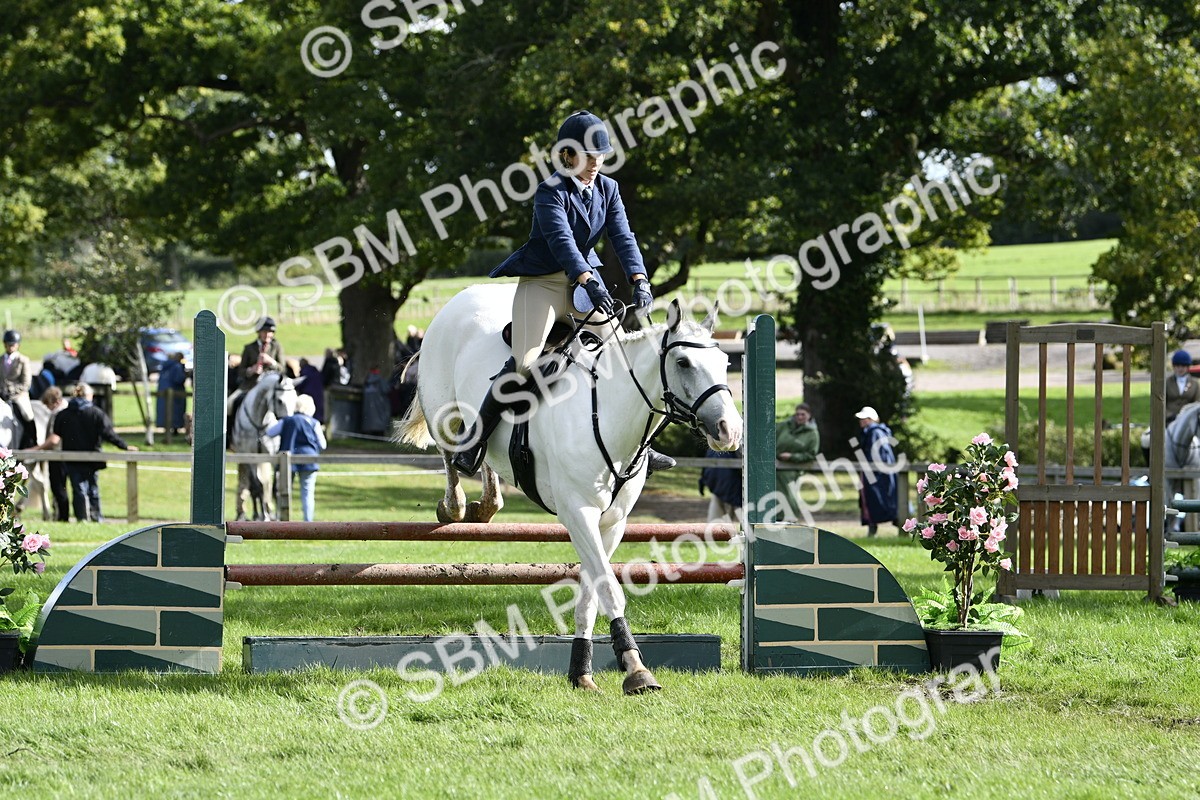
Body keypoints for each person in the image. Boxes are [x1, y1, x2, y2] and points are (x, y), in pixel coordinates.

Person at [450, 109, 673, 477]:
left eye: (600, 156)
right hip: (544, 283)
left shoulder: (609, 189)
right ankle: (473, 439)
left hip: (581, 284)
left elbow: (623, 236)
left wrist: (640, 278)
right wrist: (588, 279)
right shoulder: (549, 191)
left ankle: (643, 448)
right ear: (567, 155)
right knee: (525, 362)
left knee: (621, 354)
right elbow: (562, 242)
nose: (595, 164)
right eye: (587, 156)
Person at [53, 383, 138, 522]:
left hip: (71, 458)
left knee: (78, 489)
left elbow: (57, 431)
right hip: (93, 458)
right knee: (93, 489)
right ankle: (96, 517)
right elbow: (108, 434)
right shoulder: (96, 413)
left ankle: (82, 518)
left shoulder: (63, 414)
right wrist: (125, 446)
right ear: (88, 396)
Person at [265, 395, 327, 522]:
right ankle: (308, 522)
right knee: (307, 493)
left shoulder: (287, 421)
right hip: (309, 460)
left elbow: (270, 433)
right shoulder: (314, 423)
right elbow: (323, 445)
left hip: (287, 461)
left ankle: (282, 520)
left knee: (284, 492)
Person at [855, 406, 899, 536]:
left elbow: (876, 455)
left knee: (875, 500)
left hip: (876, 474)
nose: (861, 421)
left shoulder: (875, 432)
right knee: (882, 500)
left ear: (871, 419)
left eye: (864, 418)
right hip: (880, 473)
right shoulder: (878, 432)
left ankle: (874, 530)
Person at [29, 386, 70, 521]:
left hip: (57, 455)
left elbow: (54, 439)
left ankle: (62, 518)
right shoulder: (66, 410)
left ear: (54, 401)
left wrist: (35, 449)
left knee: (58, 488)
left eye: (48, 404)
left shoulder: (58, 414)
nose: (48, 408)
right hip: (65, 454)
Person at [776, 403, 820, 520]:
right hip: (774, 465)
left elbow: (810, 454)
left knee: (788, 492)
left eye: (803, 414)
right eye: (797, 414)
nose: (800, 417)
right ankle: (774, 517)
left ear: (809, 416)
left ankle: (790, 518)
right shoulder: (784, 426)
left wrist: (792, 456)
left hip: (793, 468)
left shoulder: (812, 434)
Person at [1, 330, 37, 450]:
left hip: (18, 395)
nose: (11, 346)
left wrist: (11, 391)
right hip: (2, 395)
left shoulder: (23, 360)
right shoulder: (0, 360)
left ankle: (32, 441)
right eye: (9, 344)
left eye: (13, 344)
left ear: (17, 345)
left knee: (28, 415)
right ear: (4, 344)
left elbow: (26, 383)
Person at [238, 317, 285, 391]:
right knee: (232, 400)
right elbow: (240, 371)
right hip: (251, 385)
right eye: (264, 331)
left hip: (272, 385)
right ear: (259, 332)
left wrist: (272, 362)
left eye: (270, 332)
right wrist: (251, 370)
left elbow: (283, 369)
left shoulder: (276, 347)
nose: (267, 335)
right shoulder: (249, 348)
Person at [699, 446, 743, 523]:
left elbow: (705, 465)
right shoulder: (735, 445)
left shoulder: (712, 445)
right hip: (727, 488)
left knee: (718, 520)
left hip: (721, 487)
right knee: (724, 520)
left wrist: (702, 481)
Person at [156, 351, 188, 433]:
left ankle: (166, 429)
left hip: (163, 392)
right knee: (175, 412)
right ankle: (175, 429)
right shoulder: (177, 366)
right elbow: (179, 379)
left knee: (165, 411)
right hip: (175, 393)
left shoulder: (164, 367)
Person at [1166, 350, 1199, 423]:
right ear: (1174, 366)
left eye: (1183, 366)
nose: (1180, 369)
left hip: (1188, 421)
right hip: (1169, 420)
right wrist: (1169, 415)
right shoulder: (1167, 382)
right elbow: (1161, 402)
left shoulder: (1195, 383)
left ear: (1187, 367)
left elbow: (1197, 403)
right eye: (1177, 366)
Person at [297, 358, 326, 423]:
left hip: (309, 392)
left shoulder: (304, 372)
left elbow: (301, 383)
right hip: (318, 391)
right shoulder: (315, 370)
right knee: (318, 407)